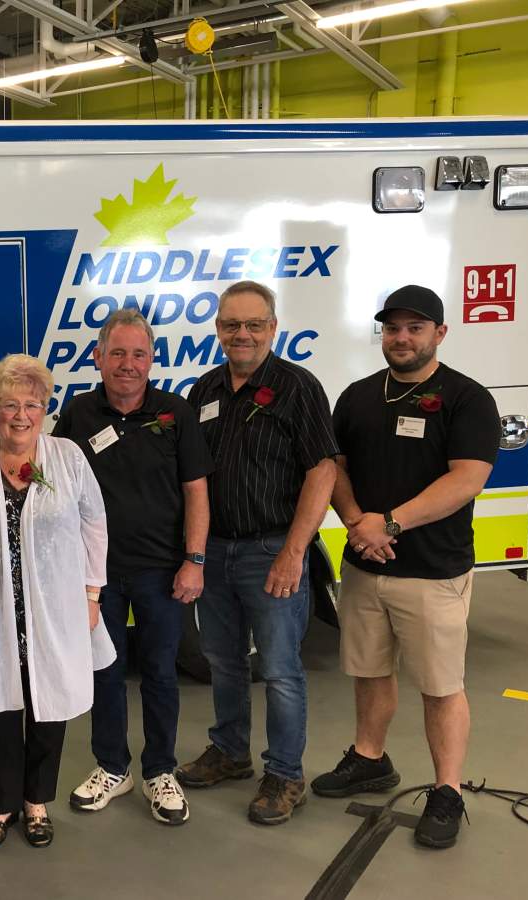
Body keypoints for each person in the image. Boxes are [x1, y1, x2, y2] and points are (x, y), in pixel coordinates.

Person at [311, 285, 498, 849]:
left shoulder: (467, 399)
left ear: (439, 333)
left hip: (433, 570)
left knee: (441, 686)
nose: (401, 337)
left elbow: (466, 479)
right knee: (369, 671)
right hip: (365, 566)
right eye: (392, 328)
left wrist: (387, 524)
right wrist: (354, 523)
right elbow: (333, 465)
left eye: (415, 328)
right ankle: (370, 757)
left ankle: (448, 790)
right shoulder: (359, 396)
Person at [180, 280, 337, 826]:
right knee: (223, 661)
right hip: (216, 551)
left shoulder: (298, 387)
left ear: (273, 328)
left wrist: (295, 551)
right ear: (218, 330)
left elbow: (323, 469)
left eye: (252, 324)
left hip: (272, 550)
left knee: (279, 668)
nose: (240, 334)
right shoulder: (203, 392)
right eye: (230, 325)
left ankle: (286, 774)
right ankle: (229, 752)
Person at [54, 308, 212, 827]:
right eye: (117, 353)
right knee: (104, 672)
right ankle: (113, 767)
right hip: (96, 578)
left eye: (138, 354)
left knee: (161, 674)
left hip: (162, 573)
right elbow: (53, 489)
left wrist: (193, 561)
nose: (127, 364)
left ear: (152, 359)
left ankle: (159, 771)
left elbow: (196, 491)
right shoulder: (77, 416)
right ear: (97, 357)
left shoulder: (176, 414)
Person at [0, 354, 115, 851]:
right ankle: (0, 806)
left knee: (49, 707)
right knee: (0, 709)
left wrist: (92, 591)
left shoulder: (68, 457)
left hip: (56, 606)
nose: (20, 415)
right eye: (8, 404)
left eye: (31, 404)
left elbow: (94, 523)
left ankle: (36, 803)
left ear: (45, 408)